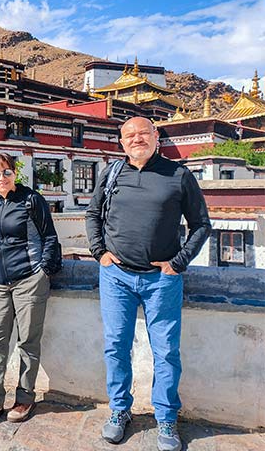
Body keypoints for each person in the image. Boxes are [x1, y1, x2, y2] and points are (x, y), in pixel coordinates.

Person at [86, 116, 211, 451]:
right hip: (116, 276)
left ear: (157, 137)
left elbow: (201, 224)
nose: (136, 139)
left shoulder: (178, 175)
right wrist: (99, 252)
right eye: (129, 135)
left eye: (143, 133)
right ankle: (119, 410)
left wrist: (178, 263)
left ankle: (167, 418)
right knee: (115, 346)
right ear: (121, 142)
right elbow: (92, 215)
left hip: (161, 280)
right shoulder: (112, 173)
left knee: (166, 352)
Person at [0, 152, 61, 429]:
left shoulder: (30, 200)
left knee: (27, 342)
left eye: (6, 172)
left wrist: (43, 272)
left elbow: (49, 236)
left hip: (29, 279)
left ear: (15, 173)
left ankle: (25, 397)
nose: (2, 178)